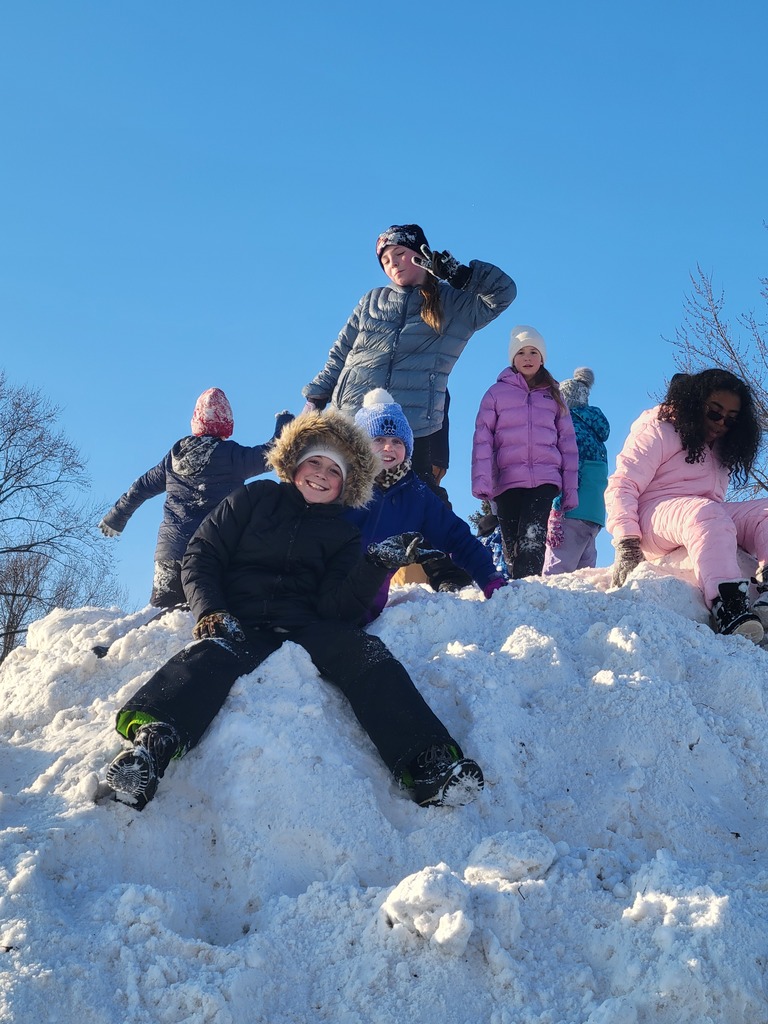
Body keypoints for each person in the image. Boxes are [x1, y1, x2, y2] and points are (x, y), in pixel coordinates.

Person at [104, 408, 485, 811]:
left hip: (306, 623)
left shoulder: (342, 534)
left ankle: (429, 764)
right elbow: (202, 555)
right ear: (294, 464)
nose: (321, 474)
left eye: (334, 470)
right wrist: (211, 611)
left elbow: (337, 607)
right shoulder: (253, 498)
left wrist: (375, 564)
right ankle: (150, 749)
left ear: (347, 482)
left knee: (368, 655)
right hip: (240, 617)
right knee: (205, 658)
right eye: (314, 462)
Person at [302, 223, 517, 591]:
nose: (394, 264)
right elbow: (341, 353)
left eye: (401, 254)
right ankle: (320, 574)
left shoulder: (453, 303)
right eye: (386, 260)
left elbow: (503, 293)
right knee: (333, 498)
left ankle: (449, 573)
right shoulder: (372, 301)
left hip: (409, 424)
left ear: (423, 254)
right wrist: (316, 397)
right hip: (348, 418)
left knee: (422, 498)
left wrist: (462, 275)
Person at [606, 367, 768, 643]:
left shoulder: (721, 447)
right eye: (714, 412)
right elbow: (623, 483)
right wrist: (627, 543)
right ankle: (728, 606)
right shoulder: (660, 426)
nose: (720, 424)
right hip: (654, 517)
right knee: (707, 513)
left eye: (730, 420)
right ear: (695, 402)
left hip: (702, 516)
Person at [99, 388, 293, 608]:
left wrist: (116, 516)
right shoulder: (232, 457)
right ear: (227, 424)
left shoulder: (173, 458)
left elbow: (141, 486)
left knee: (162, 618)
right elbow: (273, 453)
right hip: (211, 552)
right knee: (209, 612)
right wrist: (285, 423)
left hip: (170, 552)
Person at [346, 389, 506, 619]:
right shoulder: (345, 484)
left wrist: (489, 577)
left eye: (396, 441)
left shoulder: (416, 494)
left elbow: (456, 536)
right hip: (324, 588)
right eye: (378, 440)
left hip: (367, 602)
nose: (388, 447)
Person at [471, 326, 579, 579]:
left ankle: (529, 586)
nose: (527, 358)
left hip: (545, 478)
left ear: (542, 358)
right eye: (521, 353)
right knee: (512, 543)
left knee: (533, 535)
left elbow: (569, 445)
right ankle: (515, 591)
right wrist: (483, 481)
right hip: (506, 479)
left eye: (533, 352)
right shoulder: (495, 394)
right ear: (512, 359)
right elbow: (483, 440)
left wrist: (570, 490)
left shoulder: (554, 396)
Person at [543, 367, 611, 575]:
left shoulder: (570, 429)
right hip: (594, 514)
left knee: (557, 571)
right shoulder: (595, 434)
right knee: (583, 576)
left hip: (571, 511)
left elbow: (569, 471)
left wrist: (557, 508)